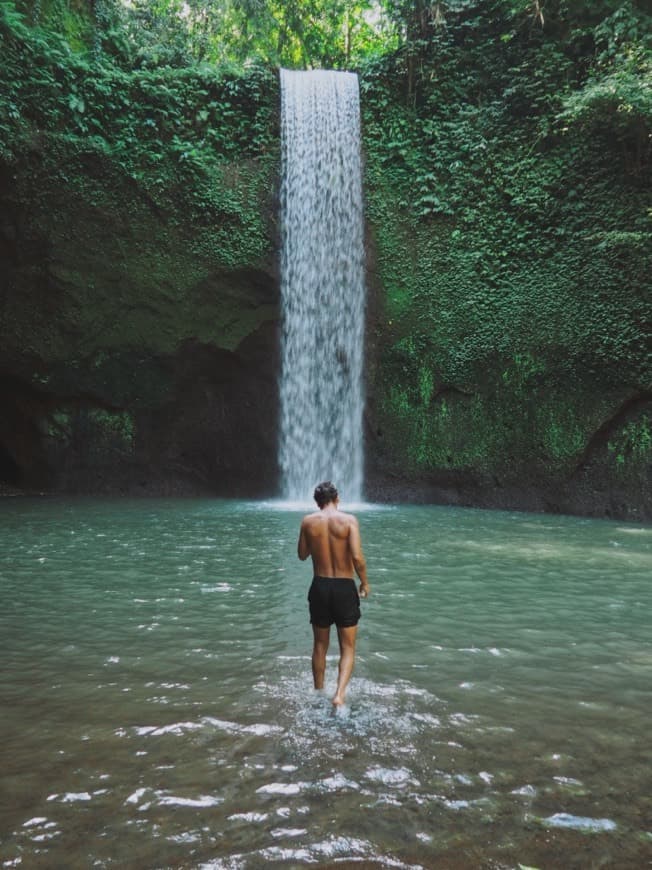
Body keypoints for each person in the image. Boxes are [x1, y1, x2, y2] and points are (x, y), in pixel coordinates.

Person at [297, 481, 370, 707]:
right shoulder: (349, 521)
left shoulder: (308, 522)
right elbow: (357, 557)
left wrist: (315, 540)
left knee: (320, 644)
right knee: (348, 647)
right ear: (337, 498)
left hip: (319, 586)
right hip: (344, 586)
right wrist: (365, 583)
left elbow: (301, 555)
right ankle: (339, 695)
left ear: (317, 502)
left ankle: (318, 691)